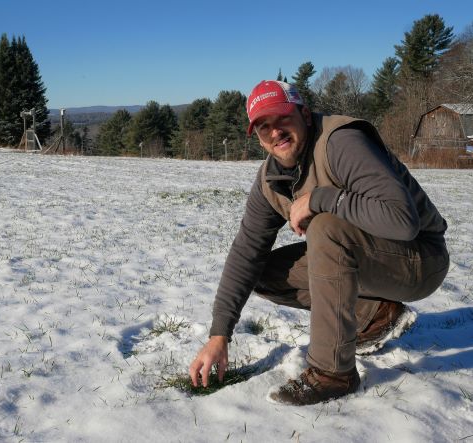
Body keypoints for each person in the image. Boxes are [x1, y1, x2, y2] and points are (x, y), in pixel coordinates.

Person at [188, 80, 449, 405]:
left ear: (305, 116)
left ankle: (332, 374)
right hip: (370, 257)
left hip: (420, 260)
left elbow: (402, 220)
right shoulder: (270, 180)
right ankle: (375, 314)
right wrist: (219, 335)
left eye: (283, 119)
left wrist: (321, 199)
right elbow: (245, 252)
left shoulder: (340, 141)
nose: (275, 133)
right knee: (264, 272)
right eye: (263, 126)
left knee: (326, 227)